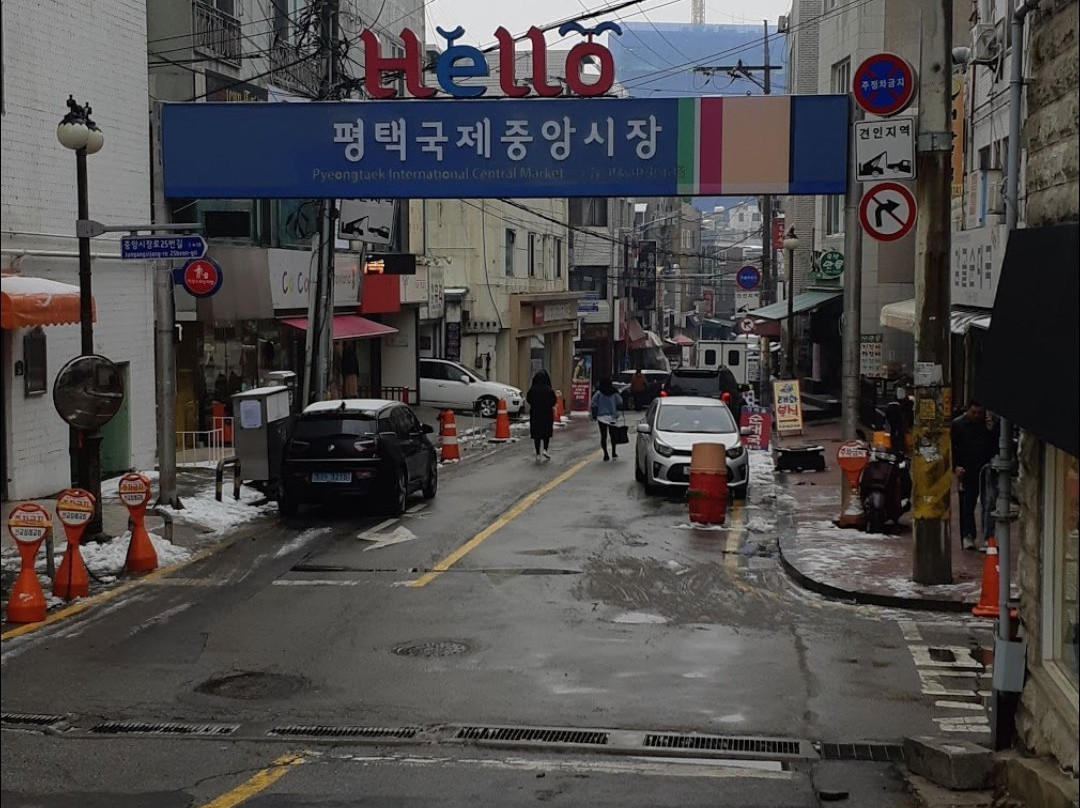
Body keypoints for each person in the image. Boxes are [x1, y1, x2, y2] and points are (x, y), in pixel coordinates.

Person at [951, 399, 1000, 551]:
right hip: (968, 468)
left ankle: (988, 536)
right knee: (968, 503)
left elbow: (997, 445)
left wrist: (991, 430)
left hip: (986, 467)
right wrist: (956, 466)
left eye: (979, 413)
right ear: (968, 410)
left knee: (989, 503)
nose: (976, 415)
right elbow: (953, 447)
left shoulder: (988, 424)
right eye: (973, 412)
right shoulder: (958, 425)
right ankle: (968, 535)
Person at [526, 370, 557, 462]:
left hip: (535, 414)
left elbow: (529, 400)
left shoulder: (532, 390)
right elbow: (553, 401)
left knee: (537, 435)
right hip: (547, 414)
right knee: (546, 433)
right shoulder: (549, 390)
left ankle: (537, 453)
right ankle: (545, 449)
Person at [590, 378, 624, 462]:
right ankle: (613, 452)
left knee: (603, 436)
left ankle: (605, 454)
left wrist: (594, 414)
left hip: (601, 417)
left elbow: (593, 403)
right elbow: (620, 402)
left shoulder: (598, 392)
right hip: (612, 417)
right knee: (613, 435)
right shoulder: (614, 392)